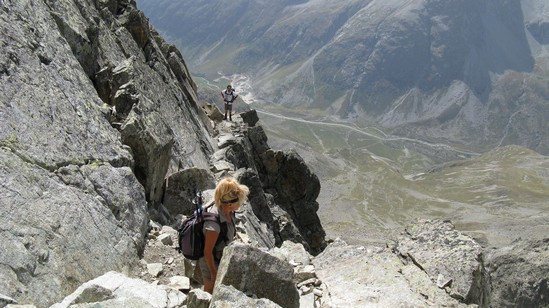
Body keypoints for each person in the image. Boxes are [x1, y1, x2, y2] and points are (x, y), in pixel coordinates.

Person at [198, 177, 249, 293]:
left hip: (219, 255)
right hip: (209, 260)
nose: (241, 204)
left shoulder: (226, 208)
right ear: (230, 204)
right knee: (209, 290)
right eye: (239, 202)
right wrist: (213, 273)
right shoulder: (214, 225)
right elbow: (207, 252)